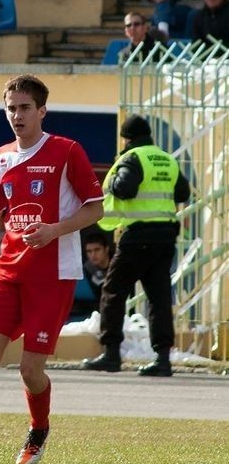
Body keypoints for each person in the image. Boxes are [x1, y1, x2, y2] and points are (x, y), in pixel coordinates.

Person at [0, 74, 104, 464]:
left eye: (24, 108)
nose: (17, 115)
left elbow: (95, 208)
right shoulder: (0, 159)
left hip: (52, 275)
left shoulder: (66, 151)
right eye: (10, 108)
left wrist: (54, 230)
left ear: (41, 111)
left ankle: (38, 428)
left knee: (30, 368)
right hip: (6, 272)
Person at [82, 114, 190, 377]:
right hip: (165, 237)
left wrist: (115, 184)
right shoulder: (166, 159)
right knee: (159, 298)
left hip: (138, 236)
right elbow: (183, 193)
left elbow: (126, 188)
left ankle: (111, 354)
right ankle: (163, 359)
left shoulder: (133, 158)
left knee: (113, 291)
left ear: (127, 138)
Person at [82, 232, 112, 305]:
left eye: (97, 250)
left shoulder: (118, 262)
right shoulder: (89, 267)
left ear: (106, 249)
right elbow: (98, 295)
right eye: (89, 251)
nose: (93, 255)